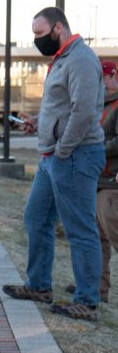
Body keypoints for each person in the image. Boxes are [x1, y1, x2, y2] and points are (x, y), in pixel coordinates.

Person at [4, 7, 105, 321]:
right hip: (53, 158)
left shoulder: (80, 59)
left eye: (39, 32)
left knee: (80, 230)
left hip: (74, 156)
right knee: (35, 218)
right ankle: (39, 286)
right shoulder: (61, 59)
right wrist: (40, 123)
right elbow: (63, 108)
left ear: (58, 27)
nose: (36, 39)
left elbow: (85, 112)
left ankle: (87, 301)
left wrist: (62, 148)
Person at [66, 60, 118, 304]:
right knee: (99, 238)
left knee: (112, 234)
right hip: (98, 177)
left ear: (112, 76)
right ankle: (98, 288)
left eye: (103, 77)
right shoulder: (100, 103)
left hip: (112, 182)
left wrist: (94, 148)